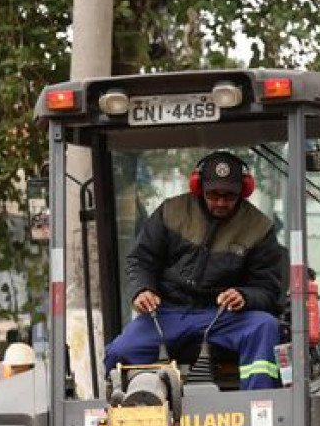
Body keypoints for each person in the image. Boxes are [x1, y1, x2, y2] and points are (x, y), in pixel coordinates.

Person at [104, 151, 287, 389]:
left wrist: (244, 296)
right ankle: (127, 413)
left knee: (265, 326)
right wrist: (142, 290)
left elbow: (268, 290)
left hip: (225, 317)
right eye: (214, 194)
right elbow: (141, 260)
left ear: (244, 191)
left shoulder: (259, 228)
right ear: (198, 188)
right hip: (167, 313)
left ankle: (259, 410)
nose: (221, 202)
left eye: (229, 196)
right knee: (119, 351)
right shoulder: (170, 212)